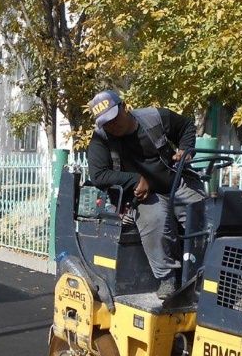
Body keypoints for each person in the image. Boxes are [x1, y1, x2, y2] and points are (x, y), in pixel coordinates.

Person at [86, 89, 206, 300]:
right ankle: (167, 277)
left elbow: (186, 125)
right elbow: (98, 175)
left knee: (205, 214)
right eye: (106, 123)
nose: (112, 126)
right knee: (154, 219)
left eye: (114, 119)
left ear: (124, 107)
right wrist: (134, 179)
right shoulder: (101, 139)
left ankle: (205, 272)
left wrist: (185, 149)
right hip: (140, 197)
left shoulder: (153, 118)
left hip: (175, 184)